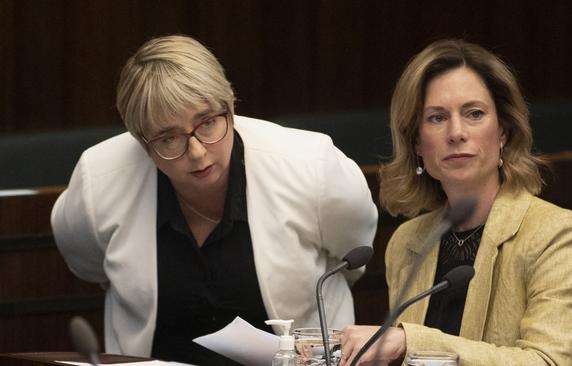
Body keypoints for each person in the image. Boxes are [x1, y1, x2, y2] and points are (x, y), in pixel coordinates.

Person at [51, 35, 378, 365]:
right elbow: (88, 265)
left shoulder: (311, 166)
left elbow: (350, 259)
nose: (196, 152)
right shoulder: (99, 181)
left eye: (207, 123)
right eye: (168, 138)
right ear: (141, 140)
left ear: (231, 105)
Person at [341, 39, 572, 366]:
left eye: (474, 114)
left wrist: (412, 340)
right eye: (436, 118)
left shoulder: (559, 235)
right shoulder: (409, 242)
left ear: (504, 131)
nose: (456, 132)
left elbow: (548, 361)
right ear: (417, 143)